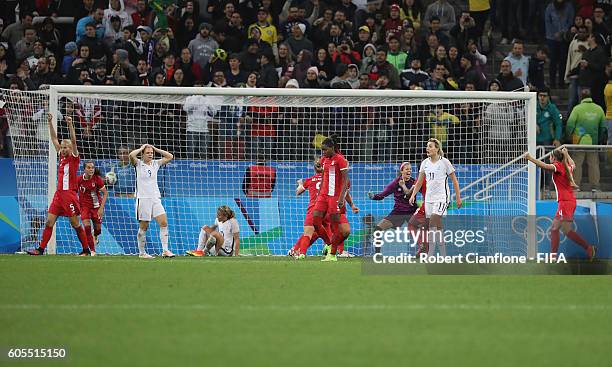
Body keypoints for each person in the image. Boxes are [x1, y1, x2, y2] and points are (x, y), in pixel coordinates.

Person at [27, 113, 90, 256]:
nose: (63, 149)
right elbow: (54, 139)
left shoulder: (74, 158)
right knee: (49, 222)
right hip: (59, 195)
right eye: (62, 147)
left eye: (65, 147)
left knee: (75, 224)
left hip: (69, 195)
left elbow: (73, 141)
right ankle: (40, 249)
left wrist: (70, 124)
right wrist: (50, 122)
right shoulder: (61, 156)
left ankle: (86, 249)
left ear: (70, 148)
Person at [525, 147, 595, 260]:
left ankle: (587, 248)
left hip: (565, 203)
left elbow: (544, 166)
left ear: (554, 158)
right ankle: (555, 256)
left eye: (550, 156)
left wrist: (530, 158)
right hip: (567, 201)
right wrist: (567, 154)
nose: (549, 158)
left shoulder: (558, 166)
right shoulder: (566, 167)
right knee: (555, 228)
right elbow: (573, 164)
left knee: (562, 229)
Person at [409, 138, 462, 256]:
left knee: (432, 221)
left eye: (430, 146)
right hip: (428, 199)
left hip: (442, 198)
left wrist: (458, 197)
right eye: (427, 146)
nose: (427, 148)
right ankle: (443, 255)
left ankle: (431, 254)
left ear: (437, 149)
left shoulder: (445, 162)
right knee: (437, 227)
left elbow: (454, 180)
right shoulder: (425, 163)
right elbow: (419, 182)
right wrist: (413, 195)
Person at [129, 144, 175, 259]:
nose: (150, 155)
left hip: (155, 198)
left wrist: (155, 149)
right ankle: (142, 253)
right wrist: (141, 148)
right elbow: (131, 155)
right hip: (143, 198)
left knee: (164, 222)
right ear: (143, 154)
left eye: (151, 153)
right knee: (144, 226)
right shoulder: (138, 164)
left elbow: (170, 156)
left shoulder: (155, 164)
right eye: (148, 153)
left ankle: (165, 250)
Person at [368, 162, 421, 254]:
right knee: (378, 229)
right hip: (398, 212)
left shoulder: (414, 182)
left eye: (410, 169)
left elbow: (415, 193)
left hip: (412, 211)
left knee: (425, 229)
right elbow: (382, 195)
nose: (409, 171)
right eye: (407, 169)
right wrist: (373, 197)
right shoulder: (395, 183)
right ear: (401, 171)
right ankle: (377, 253)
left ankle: (424, 251)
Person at [314, 136, 350, 262]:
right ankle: (329, 245)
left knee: (336, 228)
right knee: (316, 222)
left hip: (335, 197)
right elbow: (322, 174)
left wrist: (341, 198)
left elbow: (346, 180)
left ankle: (333, 254)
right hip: (323, 195)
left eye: (325, 149)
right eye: (322, 150)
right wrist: (319, 194)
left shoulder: (340, 160)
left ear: (332, 148)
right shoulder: (324, 159)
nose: (323, 152)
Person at [566, 89, 607, 191]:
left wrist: (568, 136)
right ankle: (595, 186)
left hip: (579, 142)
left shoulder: (577, 109)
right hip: (593, 142)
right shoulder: (599, 109)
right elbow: (603, 128)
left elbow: (570, 124)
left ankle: (576, 186)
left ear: (581, 97)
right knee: (594, 164)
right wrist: (600, 139)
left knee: (576, 164)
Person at [290, 158, 329, 257]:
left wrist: (300, 184)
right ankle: (329, 250)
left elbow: (298, 192)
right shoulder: (330, 180)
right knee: (325, 230)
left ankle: (300, 252)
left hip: (314, 209)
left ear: (315, 169)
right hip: (327, 209)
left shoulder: (310, 180)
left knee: (308, 233)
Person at [78, 161, 108, 256]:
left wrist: (101, 208)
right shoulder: (79, 179)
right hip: (84, 207)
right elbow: (74, 191)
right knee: (86, 227)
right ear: (84, 169)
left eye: (92, 168)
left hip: (96, 207)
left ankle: (95, 235)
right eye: (89, 167)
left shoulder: (97, 179)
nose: (91, 169)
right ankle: (92, 250)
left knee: (98, 230)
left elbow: (105, 193)